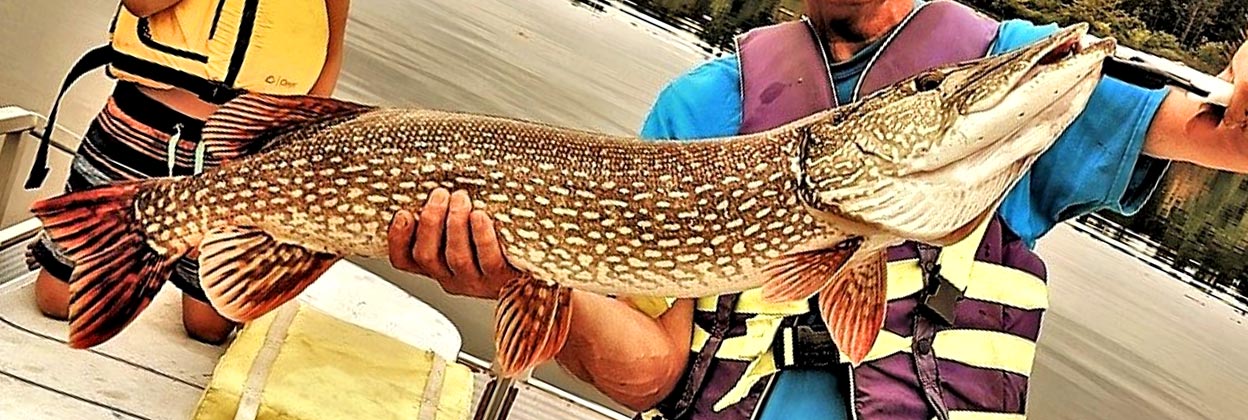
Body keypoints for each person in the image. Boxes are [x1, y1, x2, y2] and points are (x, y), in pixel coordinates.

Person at [385, 0, 1248, 418]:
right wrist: (527, 280)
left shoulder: (1011, 79)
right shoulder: (702, 108)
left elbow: (1230, 133)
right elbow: (649, 371)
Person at [28, 0, 350, 344]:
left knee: (207, 327)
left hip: (239, 152)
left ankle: (173, 262)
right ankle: (98, 250)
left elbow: (330, 53)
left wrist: (291, 144)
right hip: (140, 123)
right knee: (55, 299)